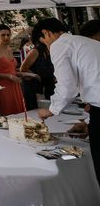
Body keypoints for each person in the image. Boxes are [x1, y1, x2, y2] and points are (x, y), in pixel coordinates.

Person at [37, 17, 100, 186]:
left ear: (46, 33)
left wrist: (50, 110)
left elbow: (67, 86)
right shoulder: (85, 43)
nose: (47, 48)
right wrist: (88, 122)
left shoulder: (59, 45)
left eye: (44, 43)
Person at [0, 24, 26, 115]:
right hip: (3, 86)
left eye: (8, 35)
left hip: (15, 85)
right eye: (3, 35)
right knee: (8, 112)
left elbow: (11, 68)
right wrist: (8, 76)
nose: (6, 37)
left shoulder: (10, 49)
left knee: (19, 113)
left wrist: (23, 74)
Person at [20, 30, 55, 110]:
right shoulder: (35, 51)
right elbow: (23, 69)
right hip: (34, 88)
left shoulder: (49, 50)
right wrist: (35, 75)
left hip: (47, 86)